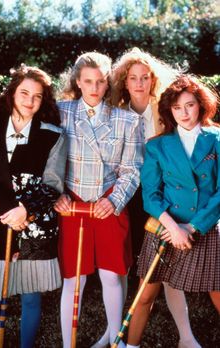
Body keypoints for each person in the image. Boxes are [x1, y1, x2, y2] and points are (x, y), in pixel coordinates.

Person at [94, 47, 201, 348]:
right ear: (124, 82)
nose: (139, 83)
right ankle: (113, 331)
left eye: (145, 77)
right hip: (127, 194)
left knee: (165, 263)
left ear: (154, 80)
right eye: (133, 78)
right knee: (125, 262)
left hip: (161, 195)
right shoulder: (115, 113)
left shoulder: (166, 112)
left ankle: (186, 335)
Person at [46, 51, 142, 348]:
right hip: (72, 204)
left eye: (101, 81)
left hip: (109, 204)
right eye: (88, 81)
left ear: (108, 81)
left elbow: (132, 169)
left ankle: (116, 341)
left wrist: (114, 201)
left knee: (112, 276)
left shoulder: (126, 120)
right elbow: (47, 161)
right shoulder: (59, 111)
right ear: (77, 81)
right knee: (74, 281)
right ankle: (67, 344)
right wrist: (55, 194)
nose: (94, 88)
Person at [126, 75, 220, 348]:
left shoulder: (216, 139)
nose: (184, 113)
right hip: (165, 228)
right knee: (145, 295)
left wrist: (192, 227)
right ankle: (130, 345)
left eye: (190, 105)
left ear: (201, 106)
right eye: (177, 108)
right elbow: (150, 195)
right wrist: (172, 227)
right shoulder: (157, 145)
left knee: (217, 292)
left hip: (204, 226)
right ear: (169, 111)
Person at [0, 64, 67, 348]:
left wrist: (26, 210)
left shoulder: (53, 135)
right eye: (24, 93)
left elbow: (54, 183)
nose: (29, 101)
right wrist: (10, 212)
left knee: (31, 299)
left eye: (38, 96)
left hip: (35, 229)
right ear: (11, 93)